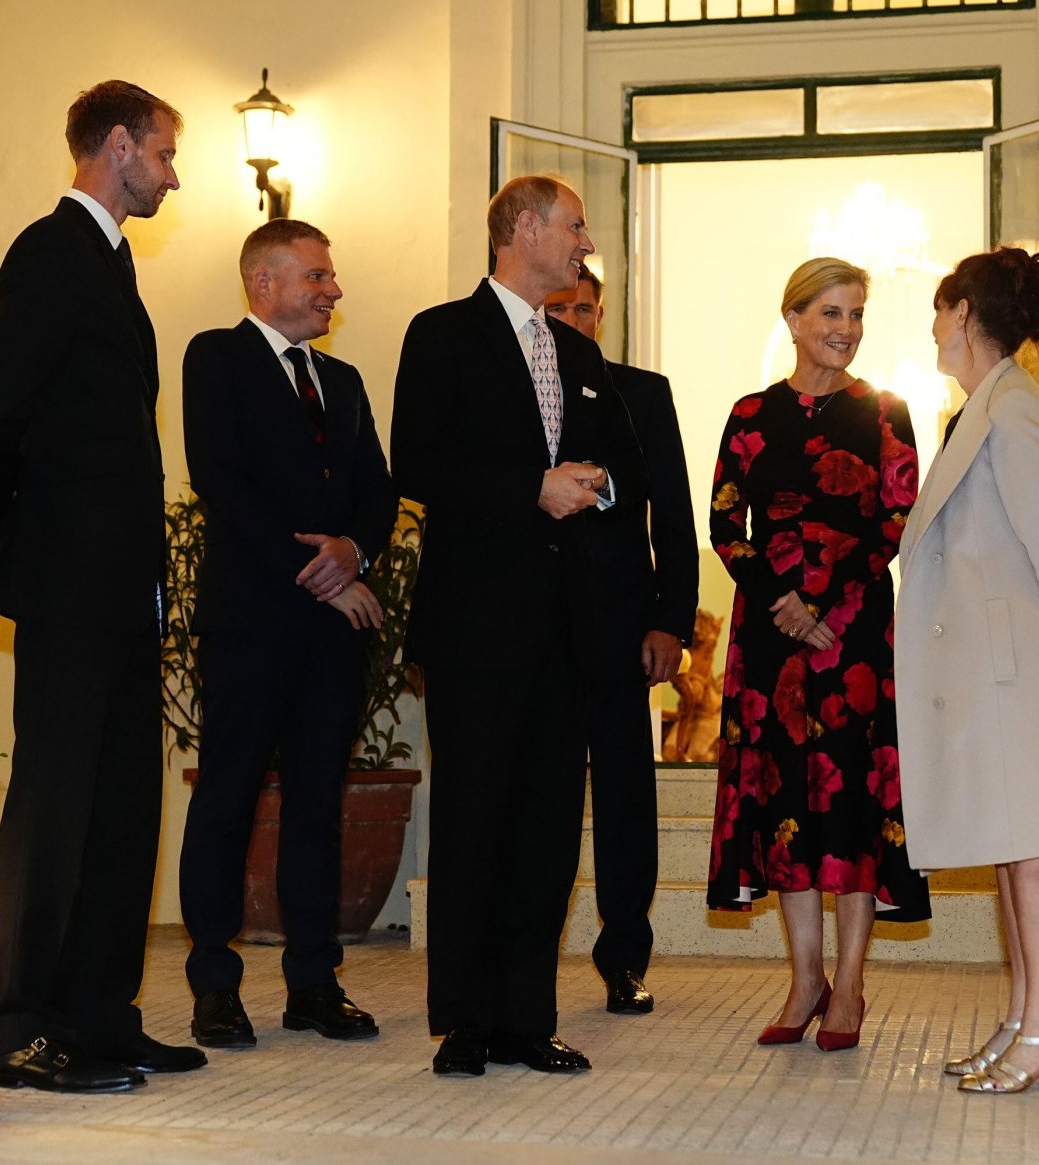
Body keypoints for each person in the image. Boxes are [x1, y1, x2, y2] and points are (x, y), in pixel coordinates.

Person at [0, 80, 204, 1092]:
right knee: (58, 805)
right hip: (67, 577)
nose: (173, 172)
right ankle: (23, 1030)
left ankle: (100, 1016)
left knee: (122, 806)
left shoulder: (109, 259)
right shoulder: (50, 249)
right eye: (164, 150)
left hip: (123, 583)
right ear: (115, 145)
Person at [391, 175, 644, 1077]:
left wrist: (597, 483)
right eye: (573, 225)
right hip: (474, 628)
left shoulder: (576, 352)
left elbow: (626, 460)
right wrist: (528, 489)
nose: (584, 242)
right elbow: (415, 461)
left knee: (545, 828)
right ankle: (464, 1020)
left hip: (567, 629)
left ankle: (526, 1016)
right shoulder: (443, 333)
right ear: (523, 228)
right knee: (472, 819)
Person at [179, 219, 397, 1050]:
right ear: (263, 283)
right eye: (316, 276)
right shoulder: (216, 357)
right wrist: (323, 576)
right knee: (228, 797)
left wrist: (356, 551)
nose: (332, 290)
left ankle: (314, 981)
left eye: (330, 277)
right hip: (251, 624)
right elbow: (221, 483)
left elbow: (378, 490)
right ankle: (213, 985)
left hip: (331, 638)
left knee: (318, 805)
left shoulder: (341, 380)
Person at [707, 257, 929, 1053]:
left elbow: (899, 520)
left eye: (857, 314)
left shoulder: (886, 412)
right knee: (787, 807)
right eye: (830, 312)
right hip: (771, 636)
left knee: (851, 806)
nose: (845, 329)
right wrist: (783, 604)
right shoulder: (749, 413)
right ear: (794, 318)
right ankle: (805, 980)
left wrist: (827, 603)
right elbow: (727, 523)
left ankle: (852, 985)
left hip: (854, 635)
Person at [896, 247, 1039, 1095]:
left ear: (968, 313)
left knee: (1035, 854)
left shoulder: (1013, 406)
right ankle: (1023, 1017)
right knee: (1013, 854)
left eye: (943, 309)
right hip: (988, 670)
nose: (936, 325)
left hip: (1014, 668)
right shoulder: (982, 404)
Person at [544, 266, 698, 1014]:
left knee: (626, 799)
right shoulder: (521, 390)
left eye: (584, 306)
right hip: (536, 631)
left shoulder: (643, 392)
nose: (573, 317)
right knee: (540, 797)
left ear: (602, 312)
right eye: (558, 307)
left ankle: (624, 958)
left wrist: (672, 618)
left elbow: (673, 514)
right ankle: (529, 958)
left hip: (620, 627)